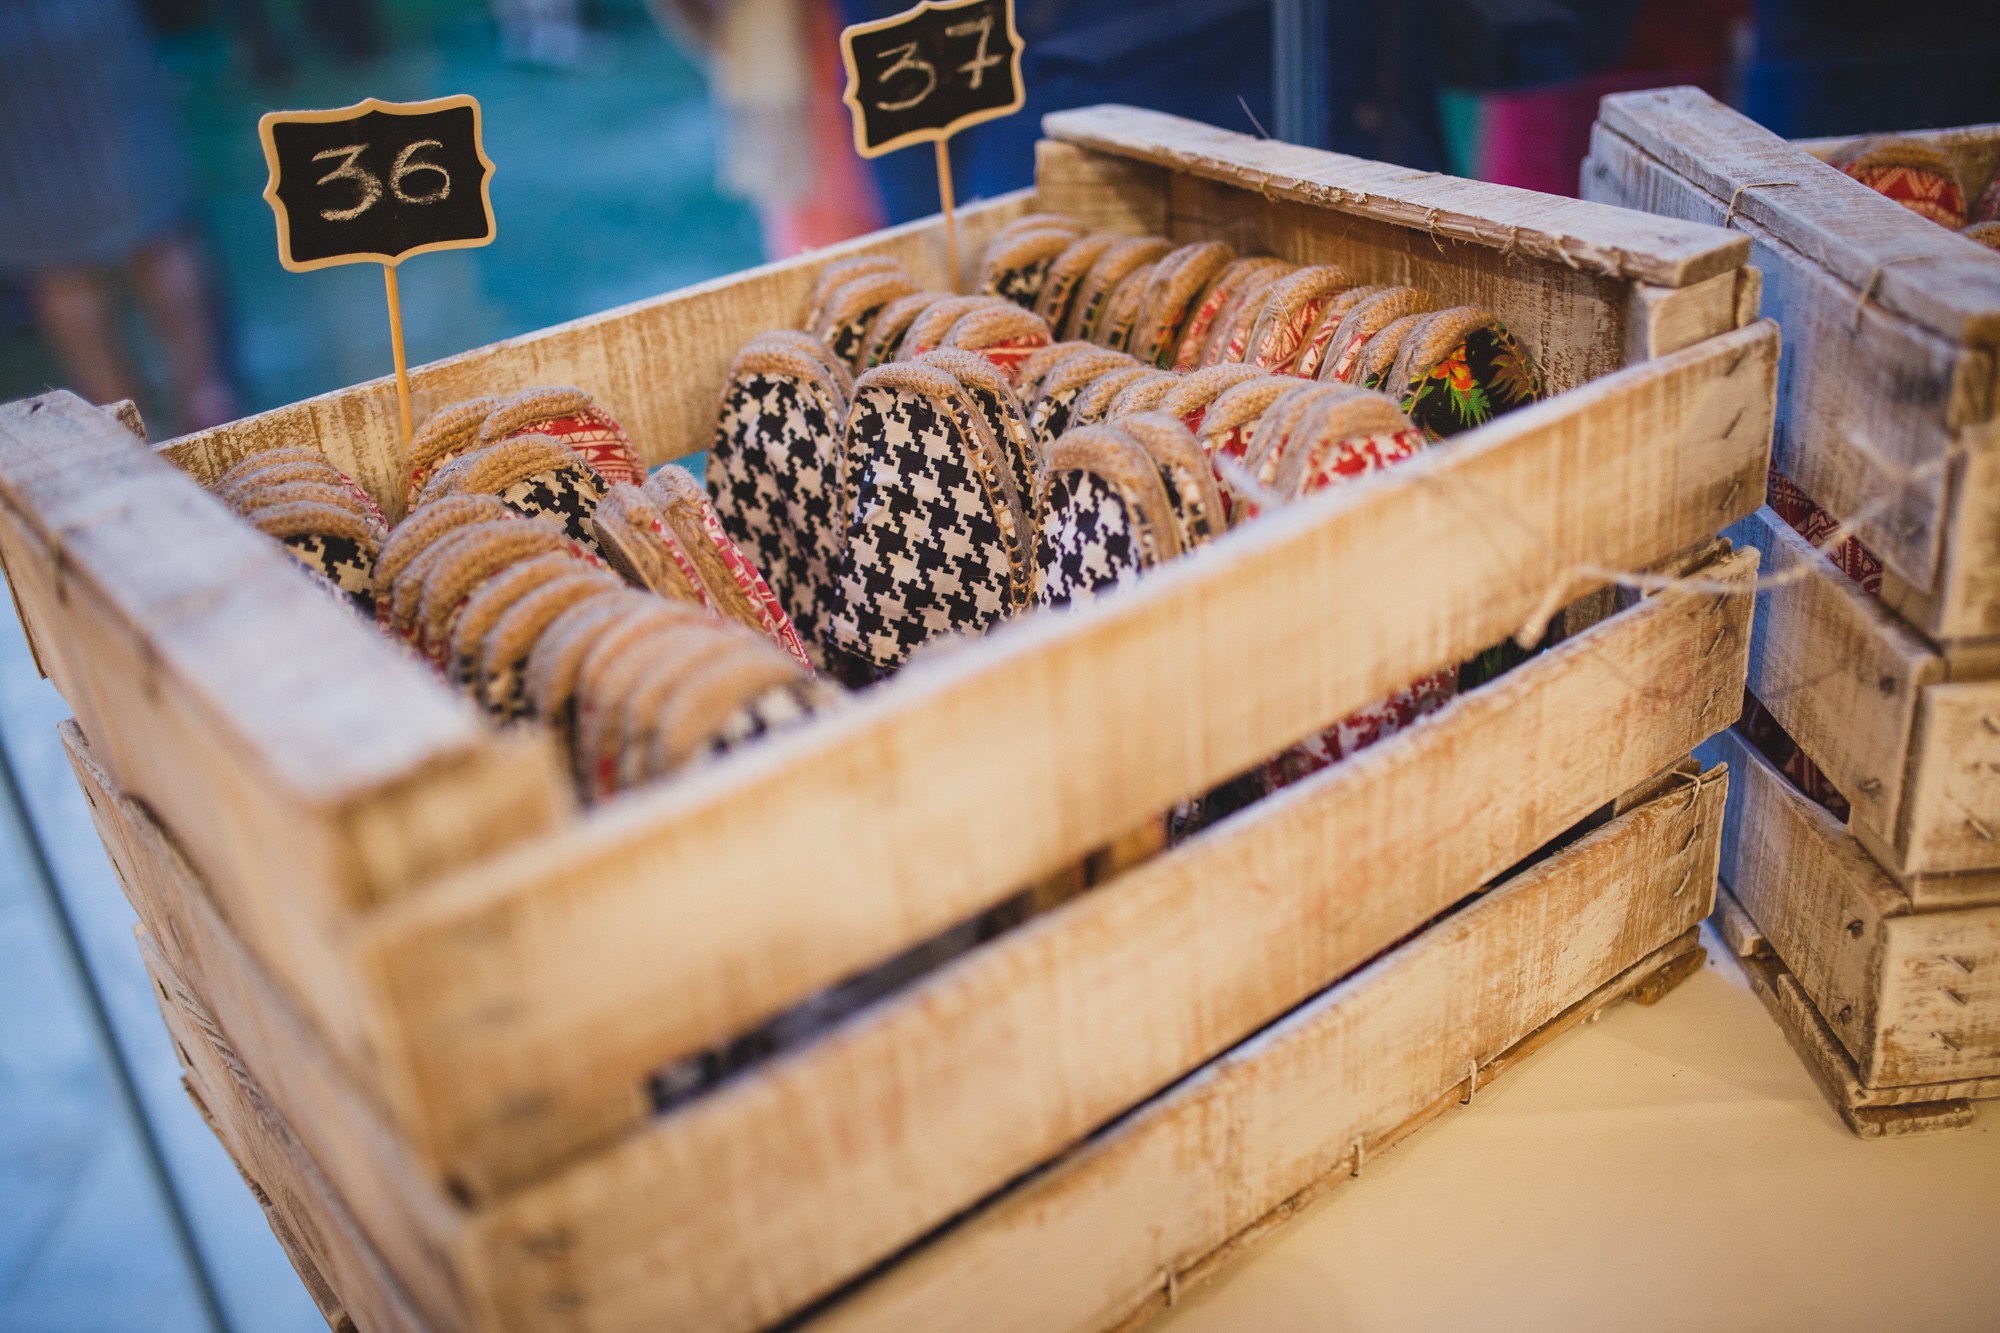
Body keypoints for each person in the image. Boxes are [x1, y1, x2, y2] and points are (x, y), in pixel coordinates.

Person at [0, 0, 237, 434]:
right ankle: (206, 396)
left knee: (60, 264)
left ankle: (119, 423)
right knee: (158, 228)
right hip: (87, 25)